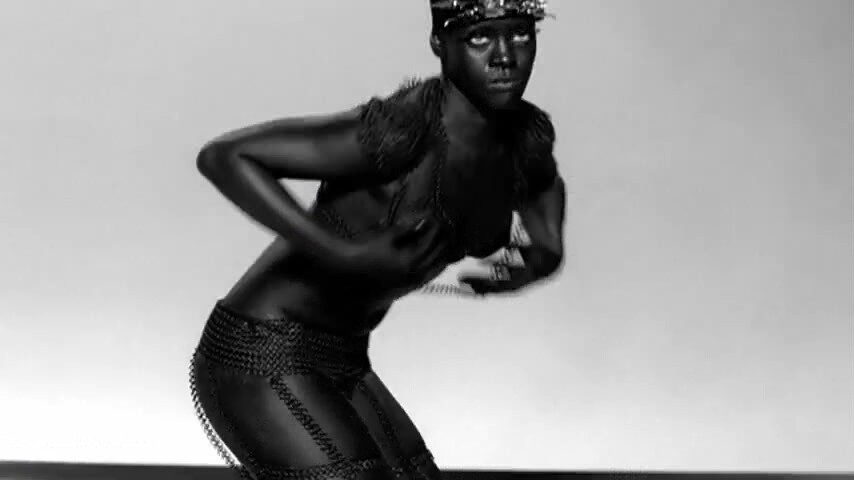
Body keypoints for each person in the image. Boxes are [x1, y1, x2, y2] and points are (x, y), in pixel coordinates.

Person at [188, 1, 566, 478]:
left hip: (344, 356)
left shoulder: (523, 139)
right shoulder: (401, 131)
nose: (505, 56)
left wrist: (546, 247)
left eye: (520, 34)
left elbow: (543, 181)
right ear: (440, 44)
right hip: (260, 350)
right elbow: (225, 156)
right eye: (480, 37)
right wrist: (339, 252)